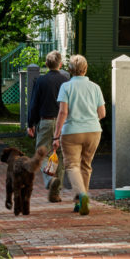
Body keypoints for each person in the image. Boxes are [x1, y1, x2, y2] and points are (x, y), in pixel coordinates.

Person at [51, 54, 105, 216]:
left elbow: (63, 112)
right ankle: (80, 201)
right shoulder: (95, 87)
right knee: (86, 166)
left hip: (71, 132)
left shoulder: (66, 87)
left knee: (73, 166)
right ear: (85, 69)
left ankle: (82, 196)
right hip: (93, 131)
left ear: (70, 70)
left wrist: (56, 136)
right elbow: (102, 113)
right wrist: (89, 120)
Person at [26, 50, 69, 201]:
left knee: (43, 154)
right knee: (60, 156)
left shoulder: (41, 81)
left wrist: (30, 123)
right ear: (60, 64)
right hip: (62, 122)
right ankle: (55, 193)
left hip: (45, 121)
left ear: (46, 64)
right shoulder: (65, 81)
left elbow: (34, 104)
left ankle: (50, 179)